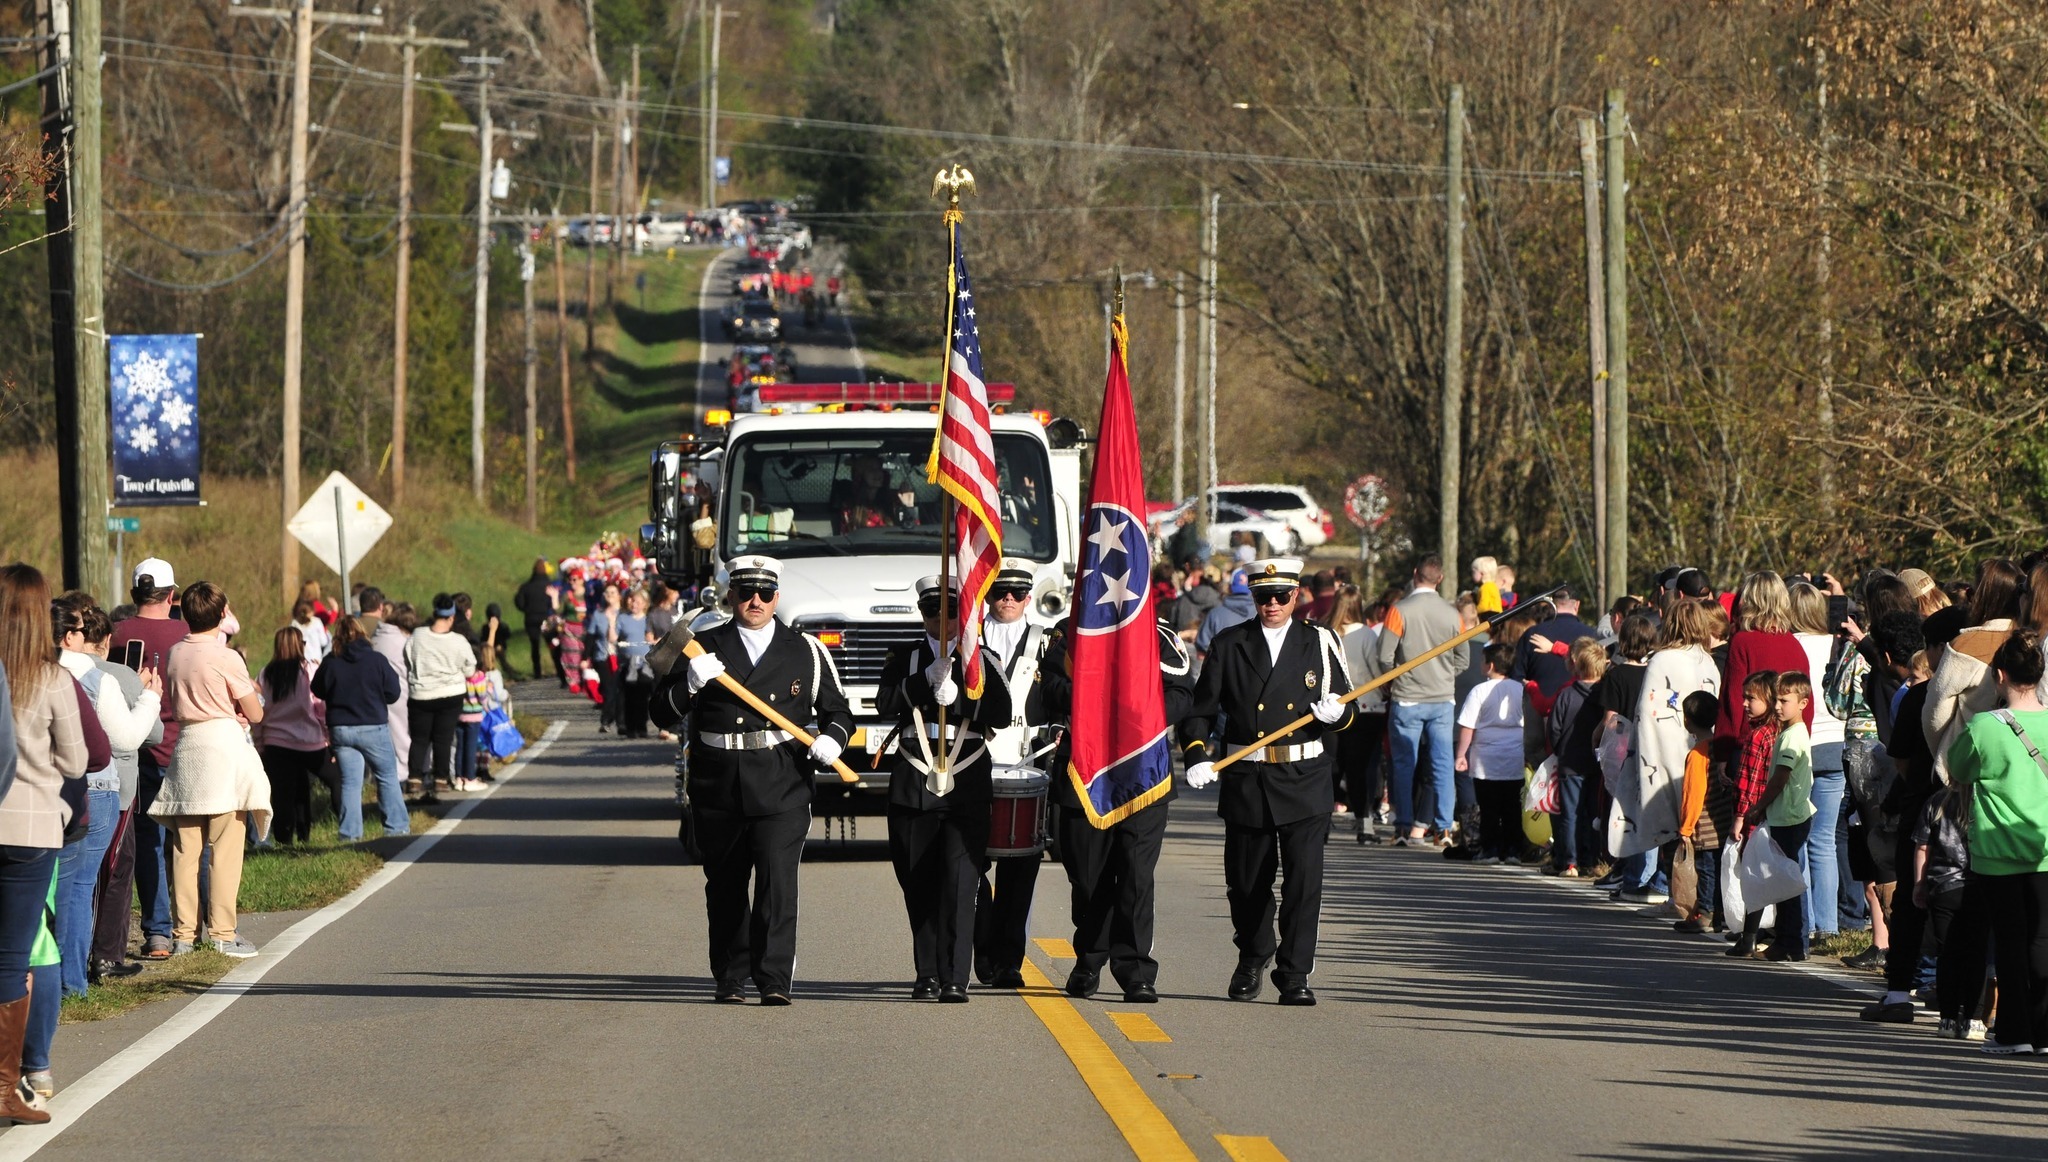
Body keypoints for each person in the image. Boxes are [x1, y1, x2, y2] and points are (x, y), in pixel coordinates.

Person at [651, 556, 853, 1005]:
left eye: (764, 593)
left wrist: (834, 740)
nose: (755, 601)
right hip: (718, 782)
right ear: (731, 596)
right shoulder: (700, 647)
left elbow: (838, 712)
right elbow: (659, 712)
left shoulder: (805, 650)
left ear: (777, 597)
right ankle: (730, 975)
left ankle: (774, 978)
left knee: (777, 884)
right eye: (745, 592)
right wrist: (689, 687)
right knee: (724, 884)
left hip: (782, 780)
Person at [1182, 558, 1355, 1005]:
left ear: (1297, 596)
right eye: (1263, 597)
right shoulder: (1230, 643)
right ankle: (1254, 951)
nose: (1272, 605)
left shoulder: (1319, 641)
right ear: (1252, 598)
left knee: (1303, 882)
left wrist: (1337, 715)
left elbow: (1347, 703)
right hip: (1249, 776)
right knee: (1246, 882)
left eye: (1281, 596)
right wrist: (1197, 755)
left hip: (1304, 776)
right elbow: (1200, 713)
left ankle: (1294, 973)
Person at [1040, 610, 1197, 1003]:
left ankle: (1135, 969)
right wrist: (1095, 693)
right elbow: (1049, 691)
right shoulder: (1073, 634)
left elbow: (1182, 694)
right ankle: (1090, 958)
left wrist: (1137, 707)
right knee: (1088, 878)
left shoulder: (1156, 636)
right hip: (1086, 772)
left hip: (1143, 772)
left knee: (1135, 875)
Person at [875, 575, 1012, 1003]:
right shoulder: (904, 657)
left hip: (966, 780)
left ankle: (955, 976)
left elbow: (1003, 713)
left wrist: (961, 698)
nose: (943, 618)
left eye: (951, 609)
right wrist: (921, 683)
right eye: (933, 609)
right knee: (918, 881)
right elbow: (883, 704)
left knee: (960, 880)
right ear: (922, 613)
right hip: (914, 779)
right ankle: (927, 973)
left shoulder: (981, 658)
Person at [148, 580, 269, 959]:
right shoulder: (226, 657)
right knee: (225, 849)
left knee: (185, 851)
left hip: (186, 750)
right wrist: (242, 705)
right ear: (221, 614)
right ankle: (222, 932)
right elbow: (255, 712)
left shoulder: (173, 653)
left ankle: (184, 934)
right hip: (222, 750)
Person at [1944, 628, 2048, 1056]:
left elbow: (1958, 770)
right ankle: (2044, 1033)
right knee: (2042, 941)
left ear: (2000, 674)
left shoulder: (1985, 725)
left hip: (1997, 850)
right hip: (2045, 849)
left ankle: (2013, 1032)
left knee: (2008, 941)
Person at [52, 601, 158, 994]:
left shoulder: (26, 674)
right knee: (80, 888)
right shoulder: (97, 678)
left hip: (44, 787)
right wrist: (150, 698)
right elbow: (127, 739)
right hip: (95, 788)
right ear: (68, 637)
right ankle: (71, 981)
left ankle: (49, 979)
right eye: (80, 631)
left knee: (52, 887)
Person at [970, 561, 1056, 990]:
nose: (1007, 600)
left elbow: (1060, 694)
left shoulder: (1048, 642)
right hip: (971, 764)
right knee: (970, 866)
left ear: (1028, 598)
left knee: (1020, 872)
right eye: (1000, 592)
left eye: (1017, 594)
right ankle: (982, 944)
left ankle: (1009, 962)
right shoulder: (968, 638)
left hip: (1028, 766)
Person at [107, 557, 182, 961]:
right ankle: (200, 923)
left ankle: (158, 933)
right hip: (184, 748)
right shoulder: (189, 634)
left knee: (148, 844)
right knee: (193, 842)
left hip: (136, 751)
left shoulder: (115, 635)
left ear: (135, 594)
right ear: (172, 596)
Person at [1376, 556, 1464, 847]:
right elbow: (1462, 659)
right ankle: (1444, 828)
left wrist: (1394, 681)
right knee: (1442, 764)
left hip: (1407, 697)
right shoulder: (1453, 614)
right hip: (1441, 698)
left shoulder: (1399, 611)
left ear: (1415, 574)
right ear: (1439, 579)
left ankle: (1402, 826)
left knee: (1404, 764)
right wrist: (1442, 675)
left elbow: (1384, 656)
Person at [1732, 671, 1817, 962]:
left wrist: (1758, 807)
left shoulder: (1792, 737)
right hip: (1787, 816)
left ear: (1803, 703)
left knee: (1785, 883)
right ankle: (1793, 942)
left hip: (1788, 816)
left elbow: (1780, 777)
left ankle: (1789, 942)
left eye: (1785, 701)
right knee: (1787, 879)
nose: (1779, 706)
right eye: (1777, 700)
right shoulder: (1789, 733)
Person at [1788, 581, 1851, 940]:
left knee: (1800, 836)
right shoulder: (1836, 644)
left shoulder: (1791, 645)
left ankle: (1806, 921)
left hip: (1803, 744)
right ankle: (1828, 923)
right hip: (1836, 743)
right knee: (1824, 840)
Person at [312, 614, 407, 840]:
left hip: (341, 729)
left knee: (351, 782)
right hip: (373, 725)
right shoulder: (376, 660)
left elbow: (317, 689)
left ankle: (350, 834)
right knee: (386, 775)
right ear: (363, 634)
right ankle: (396, 828)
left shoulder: (331, 662)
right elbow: (394, 692)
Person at [252, 626, 326, 846]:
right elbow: (319, 706)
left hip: (276, 742)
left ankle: (284, 839)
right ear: (299, 645)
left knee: (283, 794)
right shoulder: (308, 670)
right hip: (309, 741)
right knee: (309, 786)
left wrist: (259, 740)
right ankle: (306, 834)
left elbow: (260, 709)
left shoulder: (267, 672)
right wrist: (327, 734)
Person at [1455, 642, 1527, 863]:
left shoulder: (1480, 691)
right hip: (1514, 755)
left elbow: (1468, 725)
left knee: (1488, 807)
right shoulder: (1520, 689)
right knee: (1512, 806)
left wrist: (1461, 754)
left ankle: (1491, 848)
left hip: (1485, 756)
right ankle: (1513, 848)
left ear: (1490, 665)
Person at [1325, 585, 1386, 842]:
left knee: (1333, 766)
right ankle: (1365, 824)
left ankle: (1323, 821)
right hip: (1367, 707)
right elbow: (1376, 670)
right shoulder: (1366, 635)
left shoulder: (1324, 633)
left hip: (1331, 708)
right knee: (1361, 769)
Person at [1545, 637, 1607, 876]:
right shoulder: (1605, 695)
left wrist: (1560, 750)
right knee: (1594, 813)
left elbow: (1554, 728)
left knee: (1570, 813)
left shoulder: (1567, 694)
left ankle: (1569, 861)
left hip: (1570, 762)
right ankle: (1592, 859)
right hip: (1597, 762)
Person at [405, 595, 476, 804]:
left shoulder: (417, 636)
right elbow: (470, 668)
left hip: (421, 694)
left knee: (420, 739)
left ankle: (415, 777)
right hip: (450, 694)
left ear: (434, 613)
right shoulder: (458, 641)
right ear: (452, 617)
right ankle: (441, 778)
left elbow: (407, 659)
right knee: (443, 738)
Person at [1673, 691, 1724, 932]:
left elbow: (1693, 794)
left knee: (1706, 870)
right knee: (1719, 869)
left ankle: (1705, 912)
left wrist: (1685, 827)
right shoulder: (1719, 746)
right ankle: (1719, 912)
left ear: (1687, 720)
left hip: (1704, 824)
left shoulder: (1696, 754)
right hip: (1723, 819)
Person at [372, 602, 414, 790]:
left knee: (387, 737)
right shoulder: (401, 641)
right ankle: (403, 775)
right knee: (402, 735)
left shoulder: (377, 637)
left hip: (377, 693)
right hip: (400, 691)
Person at [615, 589, 655, 739]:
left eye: (638, 601)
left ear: (644, 604)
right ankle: (630, 728)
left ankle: (642, 727)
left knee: (643, 697)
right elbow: (614, 636)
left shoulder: (648, 619)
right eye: (632, 600)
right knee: (629, 696)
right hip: (628, 663)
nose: (634, 604)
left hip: (645, 663)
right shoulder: (623, 618)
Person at [589, 582, 624, 733]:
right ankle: (606, 720)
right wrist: (585, 658)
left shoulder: (625, 615)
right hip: (603, 656)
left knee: (621, 690)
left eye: (613, 593)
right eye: (607, 593)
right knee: (609, 689)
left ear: (619, 596)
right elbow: (590, 636)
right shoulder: (598, 614)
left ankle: (621, 722)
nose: (610, 596)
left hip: (621, 656)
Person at [514, 559, 558, 681]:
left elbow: (519, 602)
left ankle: (537, 671)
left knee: (535, 645)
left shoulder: (526, 587)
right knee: (552, 643)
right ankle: (558, 668)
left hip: (531, 618)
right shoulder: (550, 586)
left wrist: (527, 609)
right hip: (547, 618)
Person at [480, 602, 518, 681]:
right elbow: (508, 635)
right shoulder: (501, 626)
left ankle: (511, 673)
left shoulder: (487, 627)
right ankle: (510, 673)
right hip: (494, 647)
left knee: (501, 659)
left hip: (497, 647)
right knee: (501, 660)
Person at [291, 597, 330, 664]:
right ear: (311, 611)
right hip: (316, 661)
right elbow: (324, 642)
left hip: (300, 662)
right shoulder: (317, 622)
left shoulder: (294, 624)